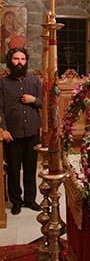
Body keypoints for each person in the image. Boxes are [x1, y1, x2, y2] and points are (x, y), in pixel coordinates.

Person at [0, 48, 42, 215]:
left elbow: (44, 102)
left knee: (31, 169)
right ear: (10, 61)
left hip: (32, 131)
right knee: (13, 169)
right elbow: (0, 108)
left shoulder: (34, 80)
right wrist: (3, 129)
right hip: (12, 133)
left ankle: (30, 200)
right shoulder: (2, 83)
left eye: (23, 59)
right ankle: (16, 201)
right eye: (16, 59)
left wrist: (34, 100)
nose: (19, 62)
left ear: (27, 61)